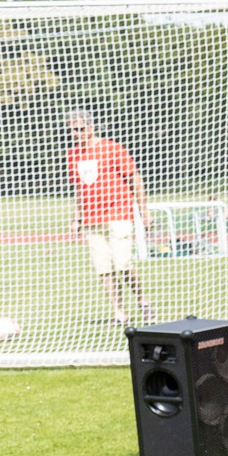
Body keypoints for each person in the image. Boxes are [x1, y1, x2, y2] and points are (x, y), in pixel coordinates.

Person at [65, 110, 150, 327]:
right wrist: (77, 218)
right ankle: (118, 312)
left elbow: (134, 178)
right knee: (104, 268)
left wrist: (144, 210)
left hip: (118, 214)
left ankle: (143, 302)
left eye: (80, 129)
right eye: (73, 130)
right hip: (92, 219)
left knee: (122, 263)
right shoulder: (72, 155)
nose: (77, 134)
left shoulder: (112, 148)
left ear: (91, 128)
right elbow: (79, 188)